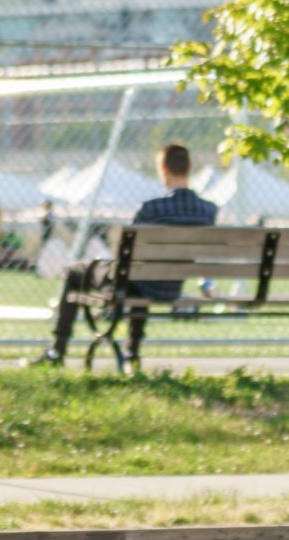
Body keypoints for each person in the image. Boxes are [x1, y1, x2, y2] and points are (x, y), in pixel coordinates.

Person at [34, 143, 217, 370]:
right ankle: (132, 354)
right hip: (172, 286)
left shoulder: (152, 209)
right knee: (140, 277)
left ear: (163, 169)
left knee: (75, 272)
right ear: (189, 168)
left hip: (137, 282)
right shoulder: (208, 211)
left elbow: (125, 252)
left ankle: (57, 350)